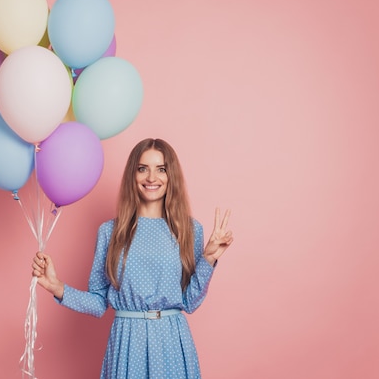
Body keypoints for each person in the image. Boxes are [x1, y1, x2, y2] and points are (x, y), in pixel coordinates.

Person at [31, 138, 233, 378]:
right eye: (142, 168)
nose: (151, 177)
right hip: (127, 342)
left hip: (171, 342)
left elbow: (189, 302)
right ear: (132, 175)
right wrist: (57, 287)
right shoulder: (110, 232)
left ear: (171, 176)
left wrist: (208, 259)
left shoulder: (190, 230)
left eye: (161, 169)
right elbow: (98, 302)